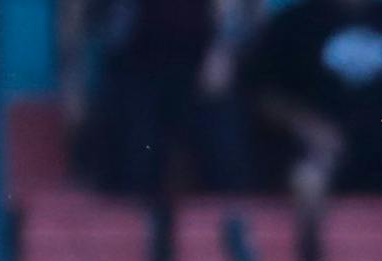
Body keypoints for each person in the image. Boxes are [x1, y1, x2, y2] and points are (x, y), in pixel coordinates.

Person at [240, 0, 382, 208]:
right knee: (306, 182)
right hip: (326, 151)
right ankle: (308, 240)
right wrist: (307, 126)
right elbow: (263, 93)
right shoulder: (294, 23)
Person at [62, 0, 255, 196]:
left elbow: (232, 11)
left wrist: (222, 50)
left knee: (227, 160)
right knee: (135, 163)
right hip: (136, 64)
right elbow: (78, 20)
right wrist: (73, 89)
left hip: (199, 61)